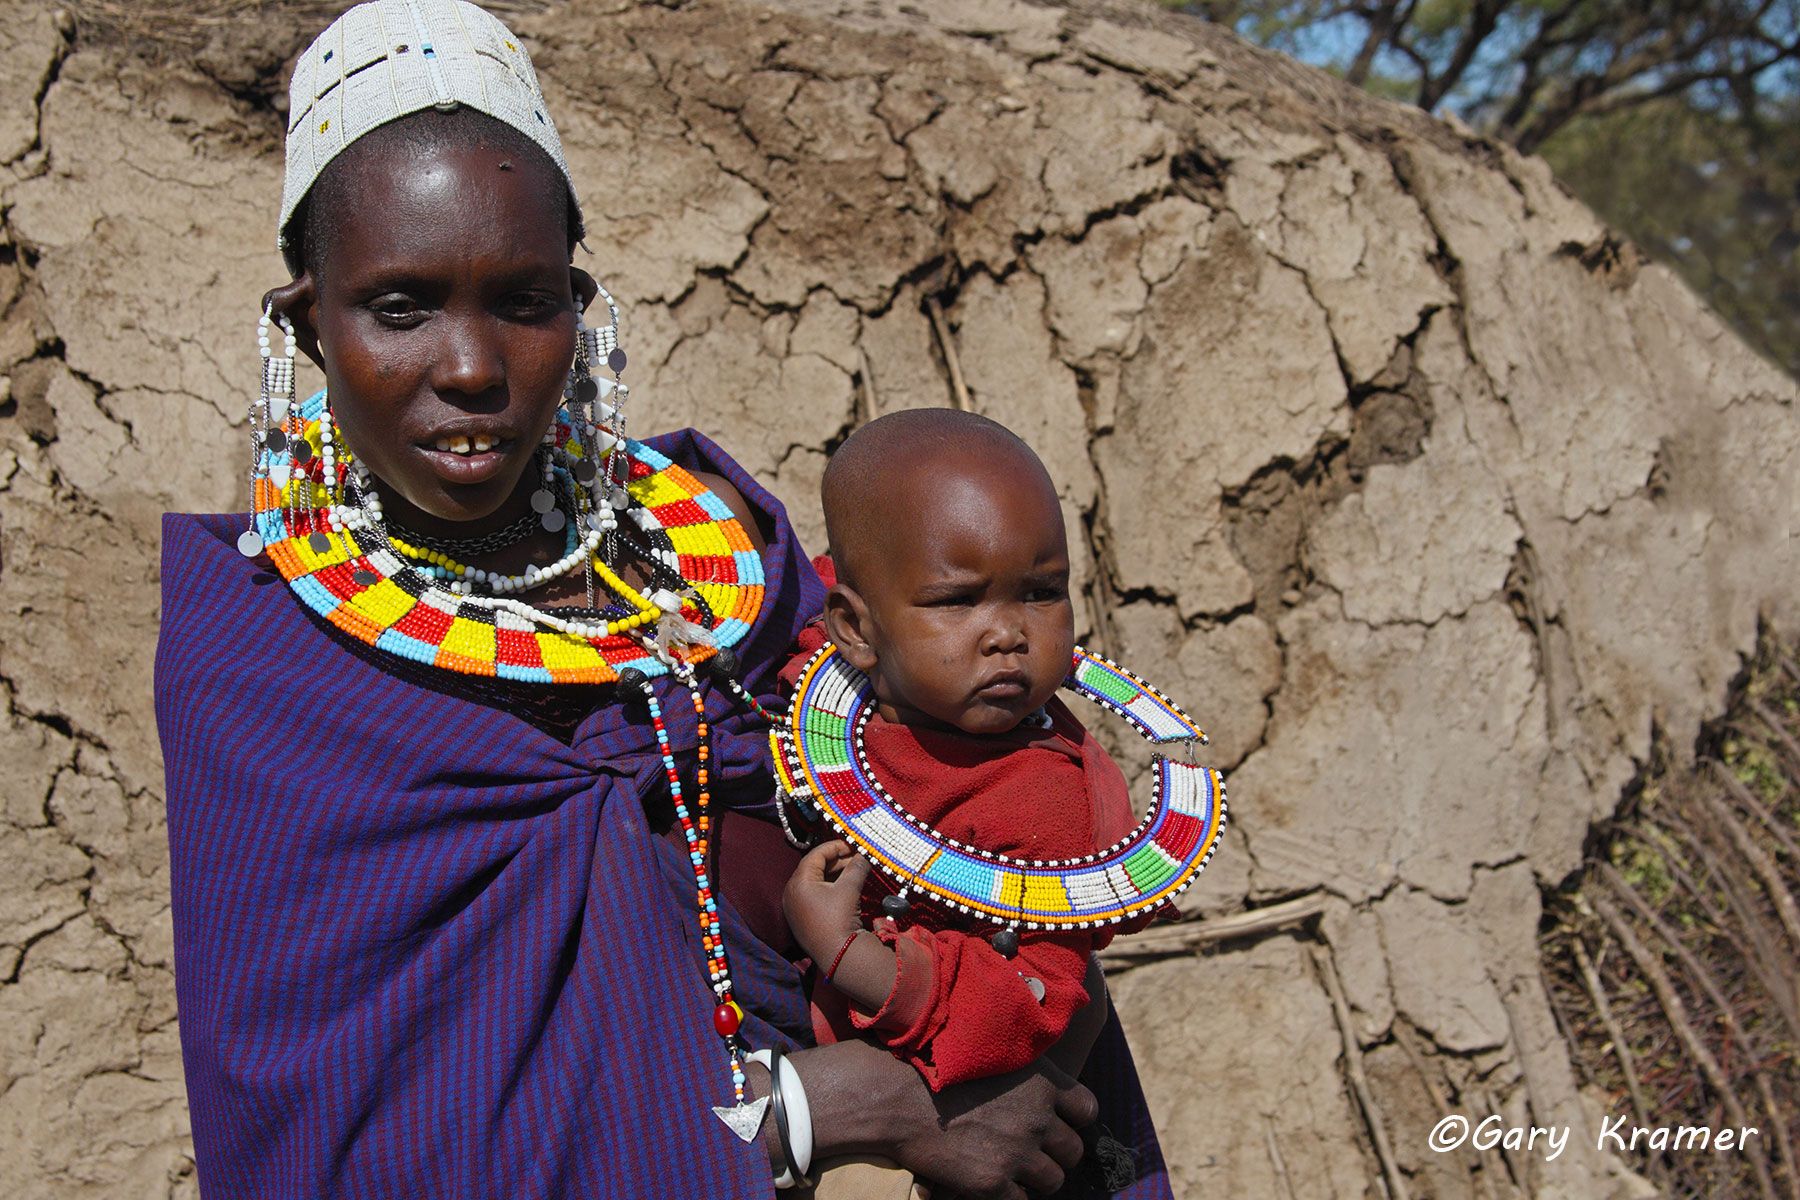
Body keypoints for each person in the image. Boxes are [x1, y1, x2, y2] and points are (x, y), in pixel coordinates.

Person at [154, 2, 1174, 1197]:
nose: (473, 367)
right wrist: (802, 1116)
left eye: (526, 300)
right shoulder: (260, 653)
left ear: (581, 311)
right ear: (305, 327)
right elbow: (338, 1134)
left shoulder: (713, 549)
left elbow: (966, 827)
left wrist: (985, 1050)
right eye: (400, 307)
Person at [779, 411, 1160, 1096]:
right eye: (958, 600)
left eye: (1043, 592)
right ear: (855, 629)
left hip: (943, 1111)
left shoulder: (1040, 798)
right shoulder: (810, 669)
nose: (1009, 633)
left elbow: (1032, 1001)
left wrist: (850, 953)